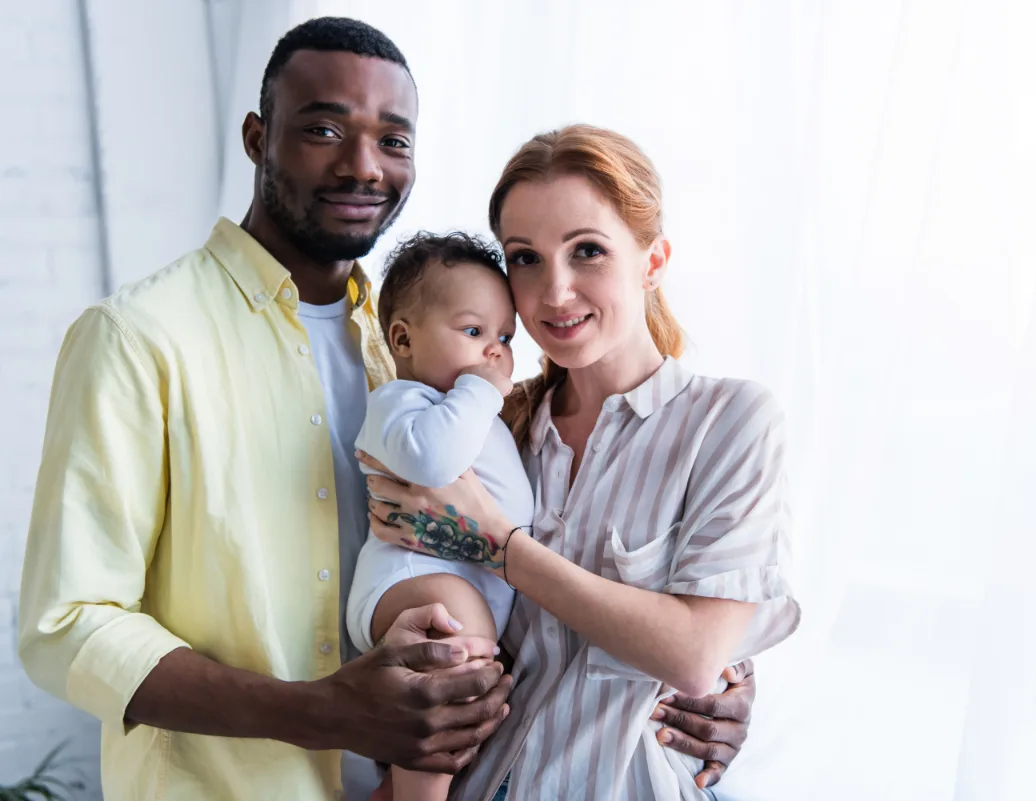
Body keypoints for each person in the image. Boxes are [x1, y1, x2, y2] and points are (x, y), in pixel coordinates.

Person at [16, 16, 756, 801]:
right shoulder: (139, 338)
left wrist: (705, 681)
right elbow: (68, 627)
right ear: (256, 137)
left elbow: (529, 586)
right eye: (324, 128)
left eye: (394, 140)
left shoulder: (410, 345)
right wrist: (322, 712)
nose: (362, 165)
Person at [361, 124, 801, 800]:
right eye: (526, 258)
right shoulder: (492, 431)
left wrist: (503, 545)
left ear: (652, 261)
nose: (555, 291)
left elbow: (694, 654)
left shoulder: (730, 424)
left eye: (587, 251)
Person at [345, 232, 534, 801]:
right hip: (411, 584)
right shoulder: (403, 403)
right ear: (402, 339)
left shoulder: (473, 411)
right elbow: (433, 461)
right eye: (474, 332)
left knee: (462, 700)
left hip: (461, 590)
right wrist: (481, 390)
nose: (494, 352)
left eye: (504, 336)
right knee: (454, 646)